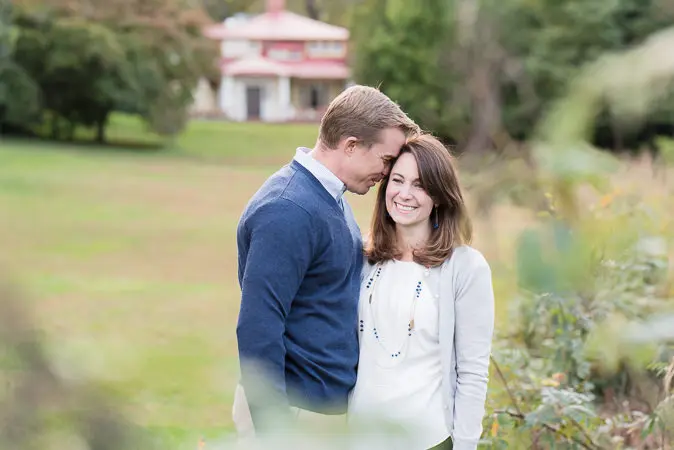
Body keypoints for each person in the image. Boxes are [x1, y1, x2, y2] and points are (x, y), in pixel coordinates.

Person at [233, 85, 420, 438]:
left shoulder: (328, 197)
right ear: (350, 145)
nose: (386, 173)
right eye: (385, 160)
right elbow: (258, 327)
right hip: (295, 413)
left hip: (318, 411)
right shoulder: (288, 209)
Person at [347, 133, 495, 450]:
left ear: (439, 196)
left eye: (420, 184)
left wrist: (466, 444)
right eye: (397, 180)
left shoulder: (466, 268)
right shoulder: (362, 256)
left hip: (428, 440)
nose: (405, 193)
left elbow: (472, 372)